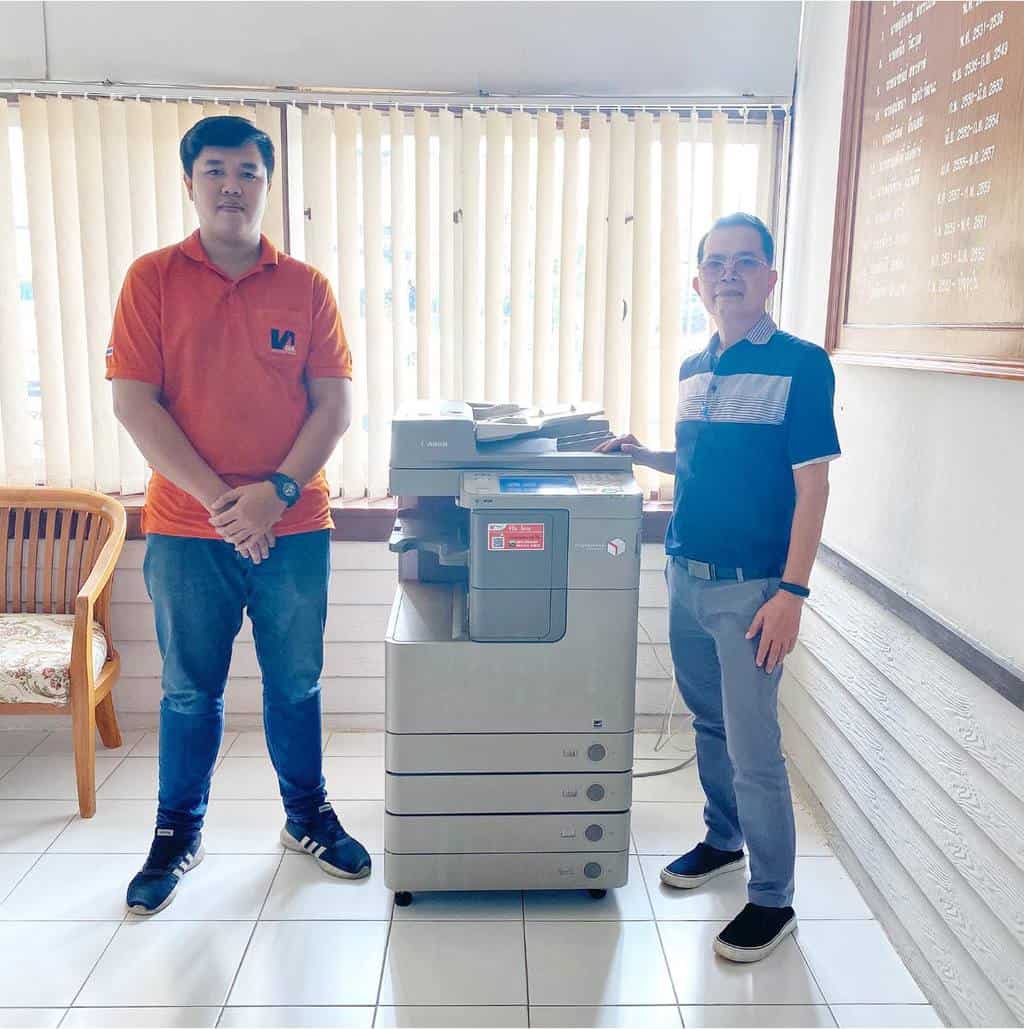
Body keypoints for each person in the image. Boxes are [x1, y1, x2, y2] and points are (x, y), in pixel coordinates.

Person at [108, 116, 371, 915]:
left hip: (295, 526)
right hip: (189, 532)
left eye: (248, 171)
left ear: (267, 184)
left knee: (296, 683)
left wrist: (276, 493)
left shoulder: (307, 286)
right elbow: (135, 404)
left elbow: (333, 406)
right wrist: (225, 505)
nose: (232, 185)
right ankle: (176, 833)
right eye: (215, 170)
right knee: (190, 691)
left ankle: (307, 817)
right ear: (190, 182)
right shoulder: (151, 279)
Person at [599, 212, 839, 962]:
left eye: (745, 261)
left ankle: (773, 899)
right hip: (685, 577)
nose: (728, 274)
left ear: (770, 276)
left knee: (754, 745)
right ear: (698, 281)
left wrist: (792, 594)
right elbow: (703, 461)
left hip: (753, 591)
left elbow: (813, 487)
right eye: (715, 263)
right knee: (709, 723)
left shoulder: (801, 364)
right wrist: (647, 454)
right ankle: (723, 838)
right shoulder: (693, 368)